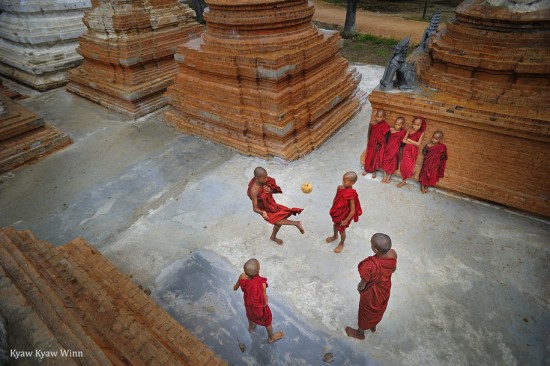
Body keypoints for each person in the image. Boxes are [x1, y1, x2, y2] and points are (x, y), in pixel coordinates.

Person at [345, 233, 397, 339]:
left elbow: (364, 281)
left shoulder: (370, 265)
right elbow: (393, 269)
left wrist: (359, 288)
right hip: (384, 289)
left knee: (366, 312)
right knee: (378, 309)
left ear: (375, 250)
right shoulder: (393, 254)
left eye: (371, 244)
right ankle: (373, 325)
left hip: (372, 293)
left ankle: (360, 333)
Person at [247, 167, 304, 245]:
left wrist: (270, 190)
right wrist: (262, 212)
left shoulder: (263, 181)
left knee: (279, 220)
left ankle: (273, 237)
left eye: (266, 176)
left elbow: (276, 191)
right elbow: (255, 208)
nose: (266, 179)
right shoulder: (254, 190)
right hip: (263, 209)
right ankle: (296, 223)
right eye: (264, 178)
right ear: (256, 178)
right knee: (277, 221)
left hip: (271, 204)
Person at [233, 258, 284, 343]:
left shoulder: (242, 276)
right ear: (259, 270)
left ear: (245, 271)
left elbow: (235, 288)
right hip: (259, 307)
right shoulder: (261, 283)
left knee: (250, 315)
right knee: (267, 321)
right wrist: (265, 302)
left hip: (248, 303)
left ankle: (250, 327)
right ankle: (271, 337)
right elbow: (264, 301)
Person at [326, 171, 363, 253]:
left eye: (345, 181)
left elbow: (353, 211)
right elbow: (335, 198)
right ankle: (335, 236)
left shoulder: (351, 195)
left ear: (352, 183)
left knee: (342, 231)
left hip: (344, 216)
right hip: (337, 213)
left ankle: (342, 243)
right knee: (335, 225)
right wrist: (334, 209)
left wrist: (346, 220)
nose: (343, 182)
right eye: (343, 180)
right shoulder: (339, 188)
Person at [397, 117, 426, 188]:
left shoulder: (421, 133)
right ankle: (403, 181)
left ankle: (410, 174)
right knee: (403, 165)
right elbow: (403, 140)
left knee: (410, 167)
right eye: (415, 124)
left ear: (421, 125)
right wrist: (413, 142)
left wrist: (409, 139)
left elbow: (418, 144)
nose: (416, 126)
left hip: (413, 151)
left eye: (418, 125)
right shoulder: (409, 130)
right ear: (412, 123)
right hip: (406, 150)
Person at [362, 110, 390, 179]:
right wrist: (368, 141)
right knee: (369, 157)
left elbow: (386, 137)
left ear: (383, 118)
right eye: (377, 116)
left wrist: (381, 145)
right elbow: (369, 133)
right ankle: (366, 169)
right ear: (375, 116)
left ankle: (373, 170)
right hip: (371, 143)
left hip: (378, 145)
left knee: (375, 158)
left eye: (380, 117)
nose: (378, 118)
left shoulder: (385, 125)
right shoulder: (372, 123)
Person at [381, 117, 407, 184]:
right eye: (396, 124)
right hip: (387, 149)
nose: (396, 126)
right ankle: (384, 176)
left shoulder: (402, 133)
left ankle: (389, 177)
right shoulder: (390, 130)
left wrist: (397, 149)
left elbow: (403, 143)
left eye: (398, 125)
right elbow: (386, 139)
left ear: (402, 125)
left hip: (395, 151)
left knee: (393, 164)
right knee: (385, 162)